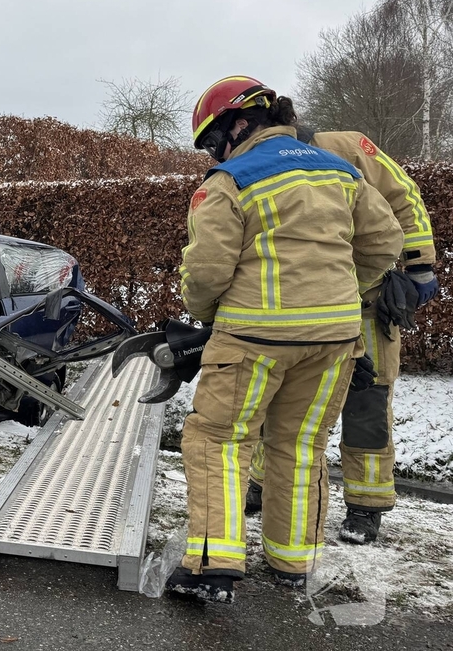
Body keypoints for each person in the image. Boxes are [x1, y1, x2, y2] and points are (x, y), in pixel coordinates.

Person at [167, 76, 403, 603]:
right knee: (300, 447)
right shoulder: (341, 171)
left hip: (252, 340)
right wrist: (343, 294)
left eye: (212, 141)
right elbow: (387, 241)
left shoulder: (229, 181)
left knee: (218, 441)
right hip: (335, 341)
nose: (213, 154)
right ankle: (292, 563)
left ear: (239, 124)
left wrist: (206, 316)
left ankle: (213, 567)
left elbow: (205, 273)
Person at [246, 127, 437, 545]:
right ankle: (262, 482)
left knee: (367, 400)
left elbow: (403, 193)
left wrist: (419, 263)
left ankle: (366, 504)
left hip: (365, 301)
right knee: (281, 398)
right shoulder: (253, 164)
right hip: (301, 307)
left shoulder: (347, 147)